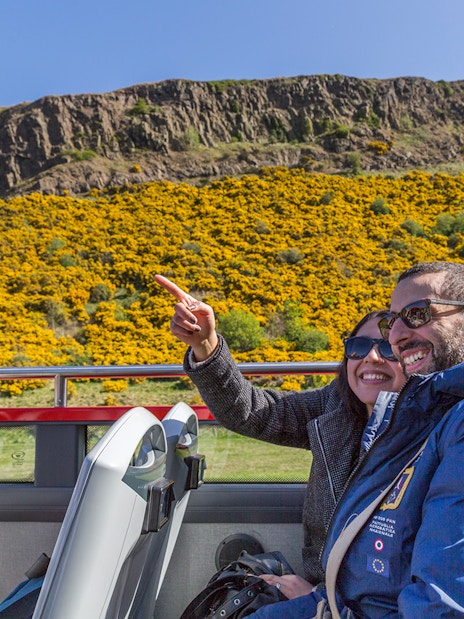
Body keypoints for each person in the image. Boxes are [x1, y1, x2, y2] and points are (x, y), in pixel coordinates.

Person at [154, 273, 405, 598]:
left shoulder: (432, 439)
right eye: (358, 347)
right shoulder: (333, 409)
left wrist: (318, 603)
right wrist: (205, 344)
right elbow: (251, 412)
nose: (371, 357)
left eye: (388, 347)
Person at [243, 261, 464, 618]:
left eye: (418, 314)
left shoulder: (449, 422)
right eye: (393, 322)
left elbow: (440, 604)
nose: (394, 338)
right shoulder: (406, 416)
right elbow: (262, 413)